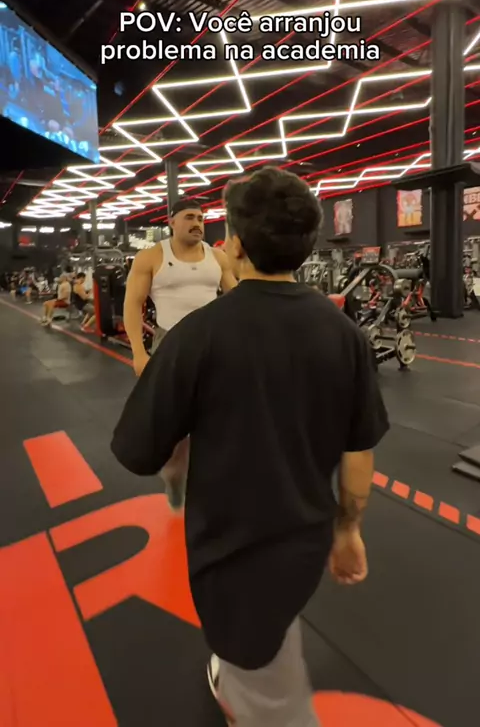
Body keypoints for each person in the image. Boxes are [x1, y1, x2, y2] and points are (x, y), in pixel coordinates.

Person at [111, 168, 389, 727]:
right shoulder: (345, 334)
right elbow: (359, 449)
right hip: (305, 540)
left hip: (228, 550)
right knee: (270, 628)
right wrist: (349, 530)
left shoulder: (196, 337)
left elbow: (136, 451)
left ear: (234, 246)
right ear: (308, 244)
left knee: (257, 676)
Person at [123, 197, 237, 509]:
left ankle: (217, 480)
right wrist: (138, 353)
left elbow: (237, 297)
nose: (197, 223)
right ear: (172, 222)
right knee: (175, 426)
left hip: (215, 344)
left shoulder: (217, 257)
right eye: (189, 217)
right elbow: (133, 304)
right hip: (170, 344)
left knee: (221, 416)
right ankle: (175, 476)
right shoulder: (151, 257)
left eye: (200, 218)